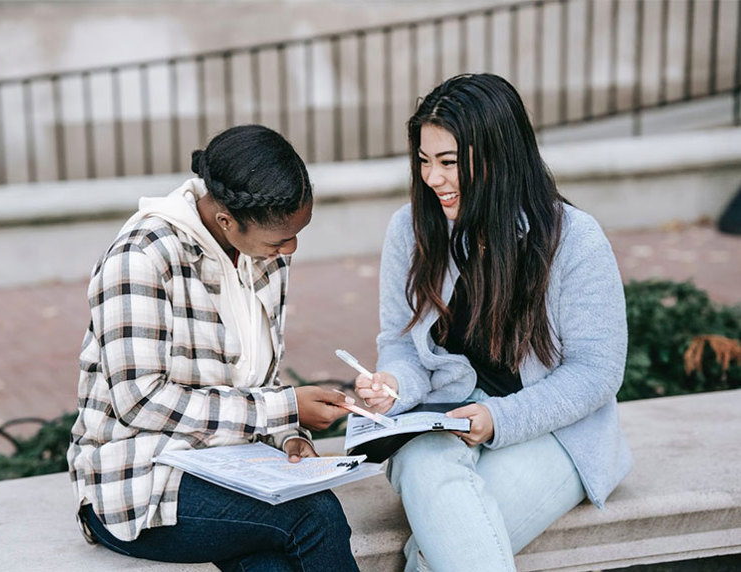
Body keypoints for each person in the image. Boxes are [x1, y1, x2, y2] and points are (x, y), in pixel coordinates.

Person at [355, 74, 632, 572]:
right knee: (422, 465)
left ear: (498, 157)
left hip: (554, 432)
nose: (431, 179)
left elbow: (597, 370)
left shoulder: (574, 240)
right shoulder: (410, 230)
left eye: (448, 163)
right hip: (442, 419)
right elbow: (400, 344)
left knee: (430, 555)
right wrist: (393, 385)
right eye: (423, 161)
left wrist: (498, 421)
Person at [67, 124, 358, 571]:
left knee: (272, 567)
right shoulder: (140, 259)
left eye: (298, 233)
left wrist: (289, 437)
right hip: (137, 484)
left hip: (230, 468)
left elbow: (257, 383)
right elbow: (140, 402)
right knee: (314, 515)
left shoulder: (263, 257)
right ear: (226, 221)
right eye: (281, 239)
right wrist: (284, 409)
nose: (291, 249)